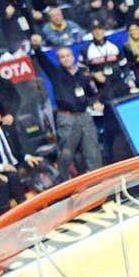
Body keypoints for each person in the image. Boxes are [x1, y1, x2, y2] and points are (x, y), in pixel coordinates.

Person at [28, 33, 103, 181]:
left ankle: (100, 183)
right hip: (67, 118)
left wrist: (95, 102)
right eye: (62, 57)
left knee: (93, 152)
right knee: (68, 154)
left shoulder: (83, 74)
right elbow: (43, 61)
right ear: (58, 59)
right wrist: (36, 47)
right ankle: (71, 185)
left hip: (85, 116)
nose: (66, 58)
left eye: (68, 55)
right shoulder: (56, 74)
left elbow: (91, 93)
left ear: (73, 56)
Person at [0, 105, 43, 202]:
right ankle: (24, 205)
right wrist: (3, 167)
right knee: (12, 175)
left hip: (17, 163)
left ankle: (52, 199)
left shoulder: (9, 130)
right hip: (1, 169)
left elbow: (20, 151)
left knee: (40, 163)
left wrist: (28, 157)